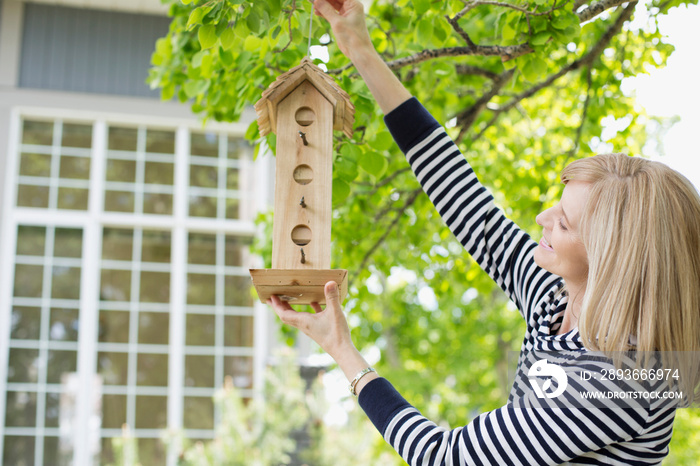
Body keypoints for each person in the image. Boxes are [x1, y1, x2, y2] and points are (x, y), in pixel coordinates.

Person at [268, 0, 700, 464]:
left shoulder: (623, 382)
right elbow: (469, 205)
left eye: (564, 222)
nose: (541, 219)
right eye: (557, 204)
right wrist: (359, 48)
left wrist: (341, 349)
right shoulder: (559, 298)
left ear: (611, 258)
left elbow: (442, 456)